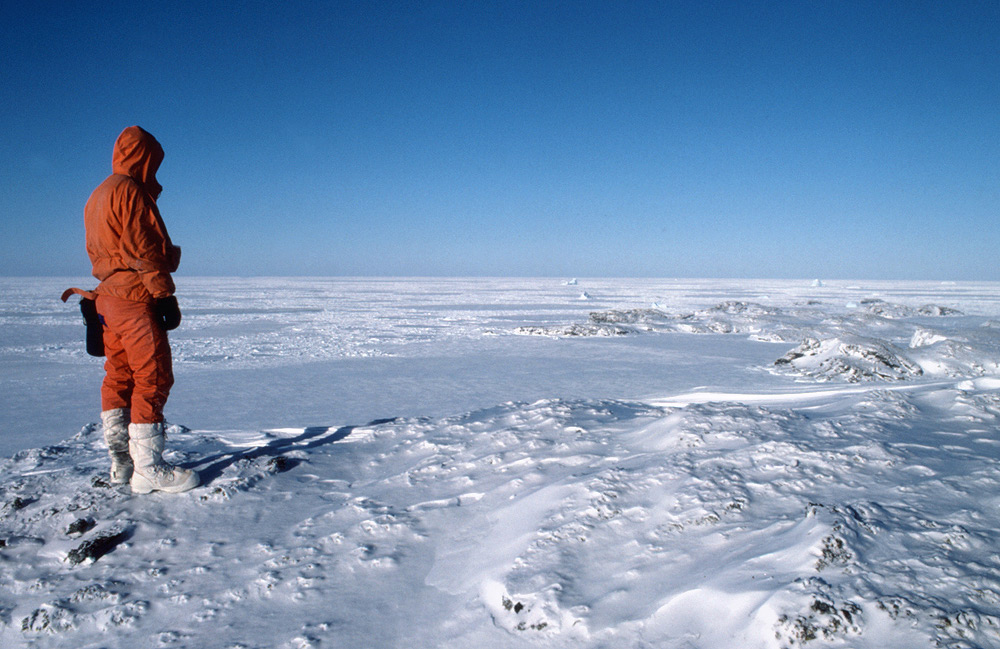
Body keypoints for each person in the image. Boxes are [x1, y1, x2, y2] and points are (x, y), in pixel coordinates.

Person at [64, 126, 198, 494]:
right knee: (152, 376)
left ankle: (121, 463)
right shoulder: (131, 192)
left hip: (107, 298)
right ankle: (149, 469)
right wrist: (164, 295)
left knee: (118, 377)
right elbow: (144, 250)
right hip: (134, 296)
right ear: (143, 157)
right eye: (153, 162)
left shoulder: (98, 194)